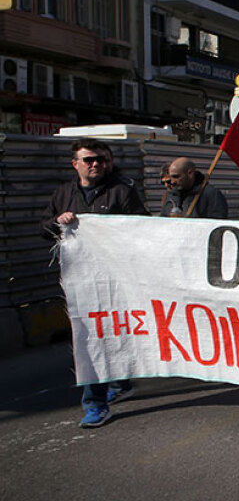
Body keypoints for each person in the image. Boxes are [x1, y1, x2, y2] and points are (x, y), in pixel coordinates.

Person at [42, 138, 149, 428]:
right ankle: (96, 403)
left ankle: (115, 385)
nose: (95, 164)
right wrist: (58, 222)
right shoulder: (63, 193)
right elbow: (44, 227)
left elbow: (142, 228)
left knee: (113, 333)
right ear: (75, 163)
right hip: (81, 282)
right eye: (89, 159)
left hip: (115, 280)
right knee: (89, 338)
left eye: (101, 159)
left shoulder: (122, 192)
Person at [160, 157, 229, 219]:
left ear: (190, 173)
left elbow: (217, 223)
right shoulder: (171, 196)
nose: (172, 181)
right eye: (171, 177)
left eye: (176, 177)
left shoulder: (211, 194)